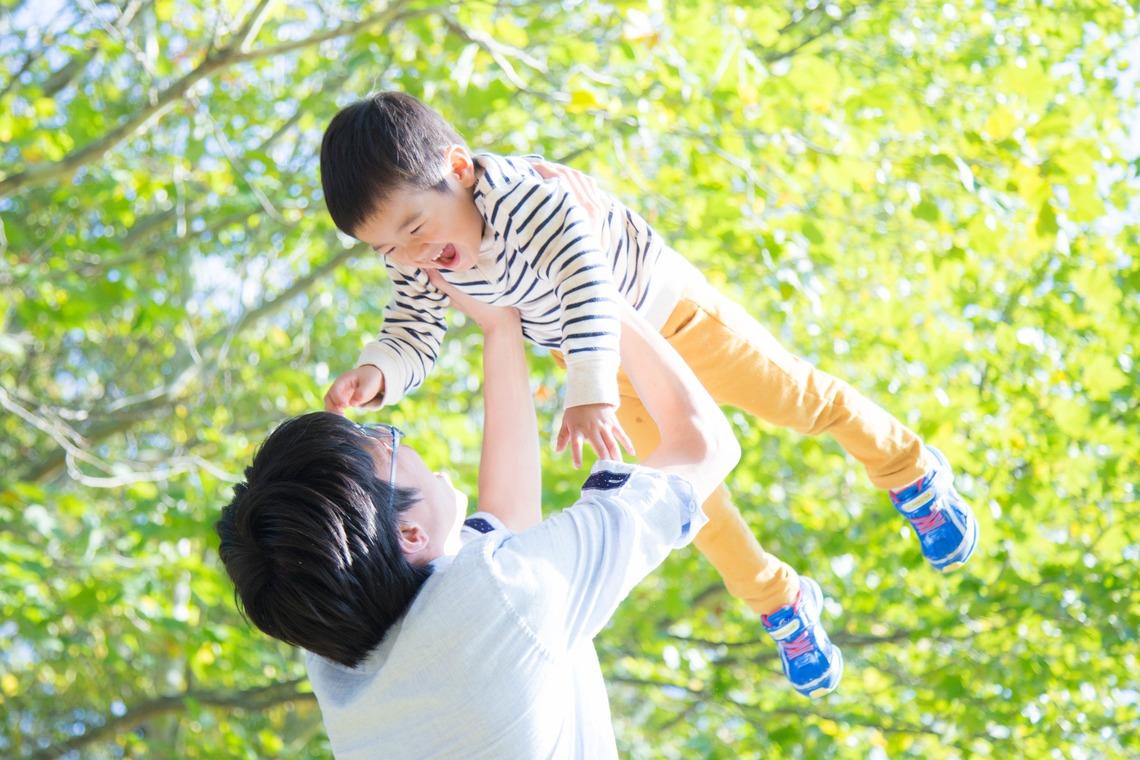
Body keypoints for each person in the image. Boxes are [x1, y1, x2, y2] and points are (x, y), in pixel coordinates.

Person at [318, 91, 979, 697]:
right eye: (387, 248)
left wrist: (589, 390)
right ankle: (780, 602)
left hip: (670, 319)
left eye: (414, 228)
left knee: (799, 400)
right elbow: (412, 324)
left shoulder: (527, 200)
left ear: (459, 170)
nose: (412, 255)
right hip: (601, 368)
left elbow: (586, 281)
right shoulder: (418, 259)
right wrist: (381, 371)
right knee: (690, 497)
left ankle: (908, 468)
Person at [216, 277, 743, 758]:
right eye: (386, 443)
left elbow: (506, 530)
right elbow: (704, 446)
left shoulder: (338, 658)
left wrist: (500, 325)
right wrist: (588, 281)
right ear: (408, 533)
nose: (404, 442)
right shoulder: (499, 601)